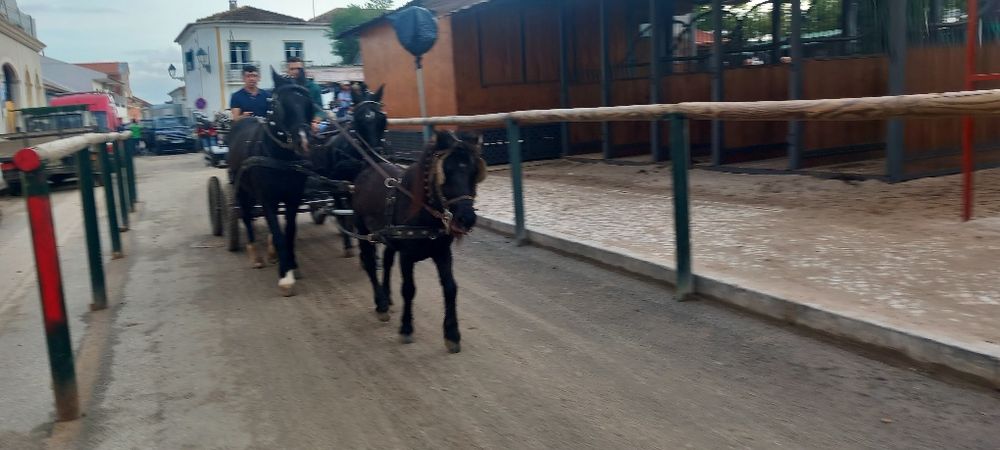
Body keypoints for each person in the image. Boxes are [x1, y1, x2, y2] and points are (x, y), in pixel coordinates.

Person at [285, 56, 325, 130]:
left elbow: (320, 110)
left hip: (309, 126)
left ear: (304, 70)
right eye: (292, 69)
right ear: (287, 71)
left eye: (298, 69)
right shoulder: (284, 89)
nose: (295, 71)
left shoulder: (313, 87)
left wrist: (315, 122)